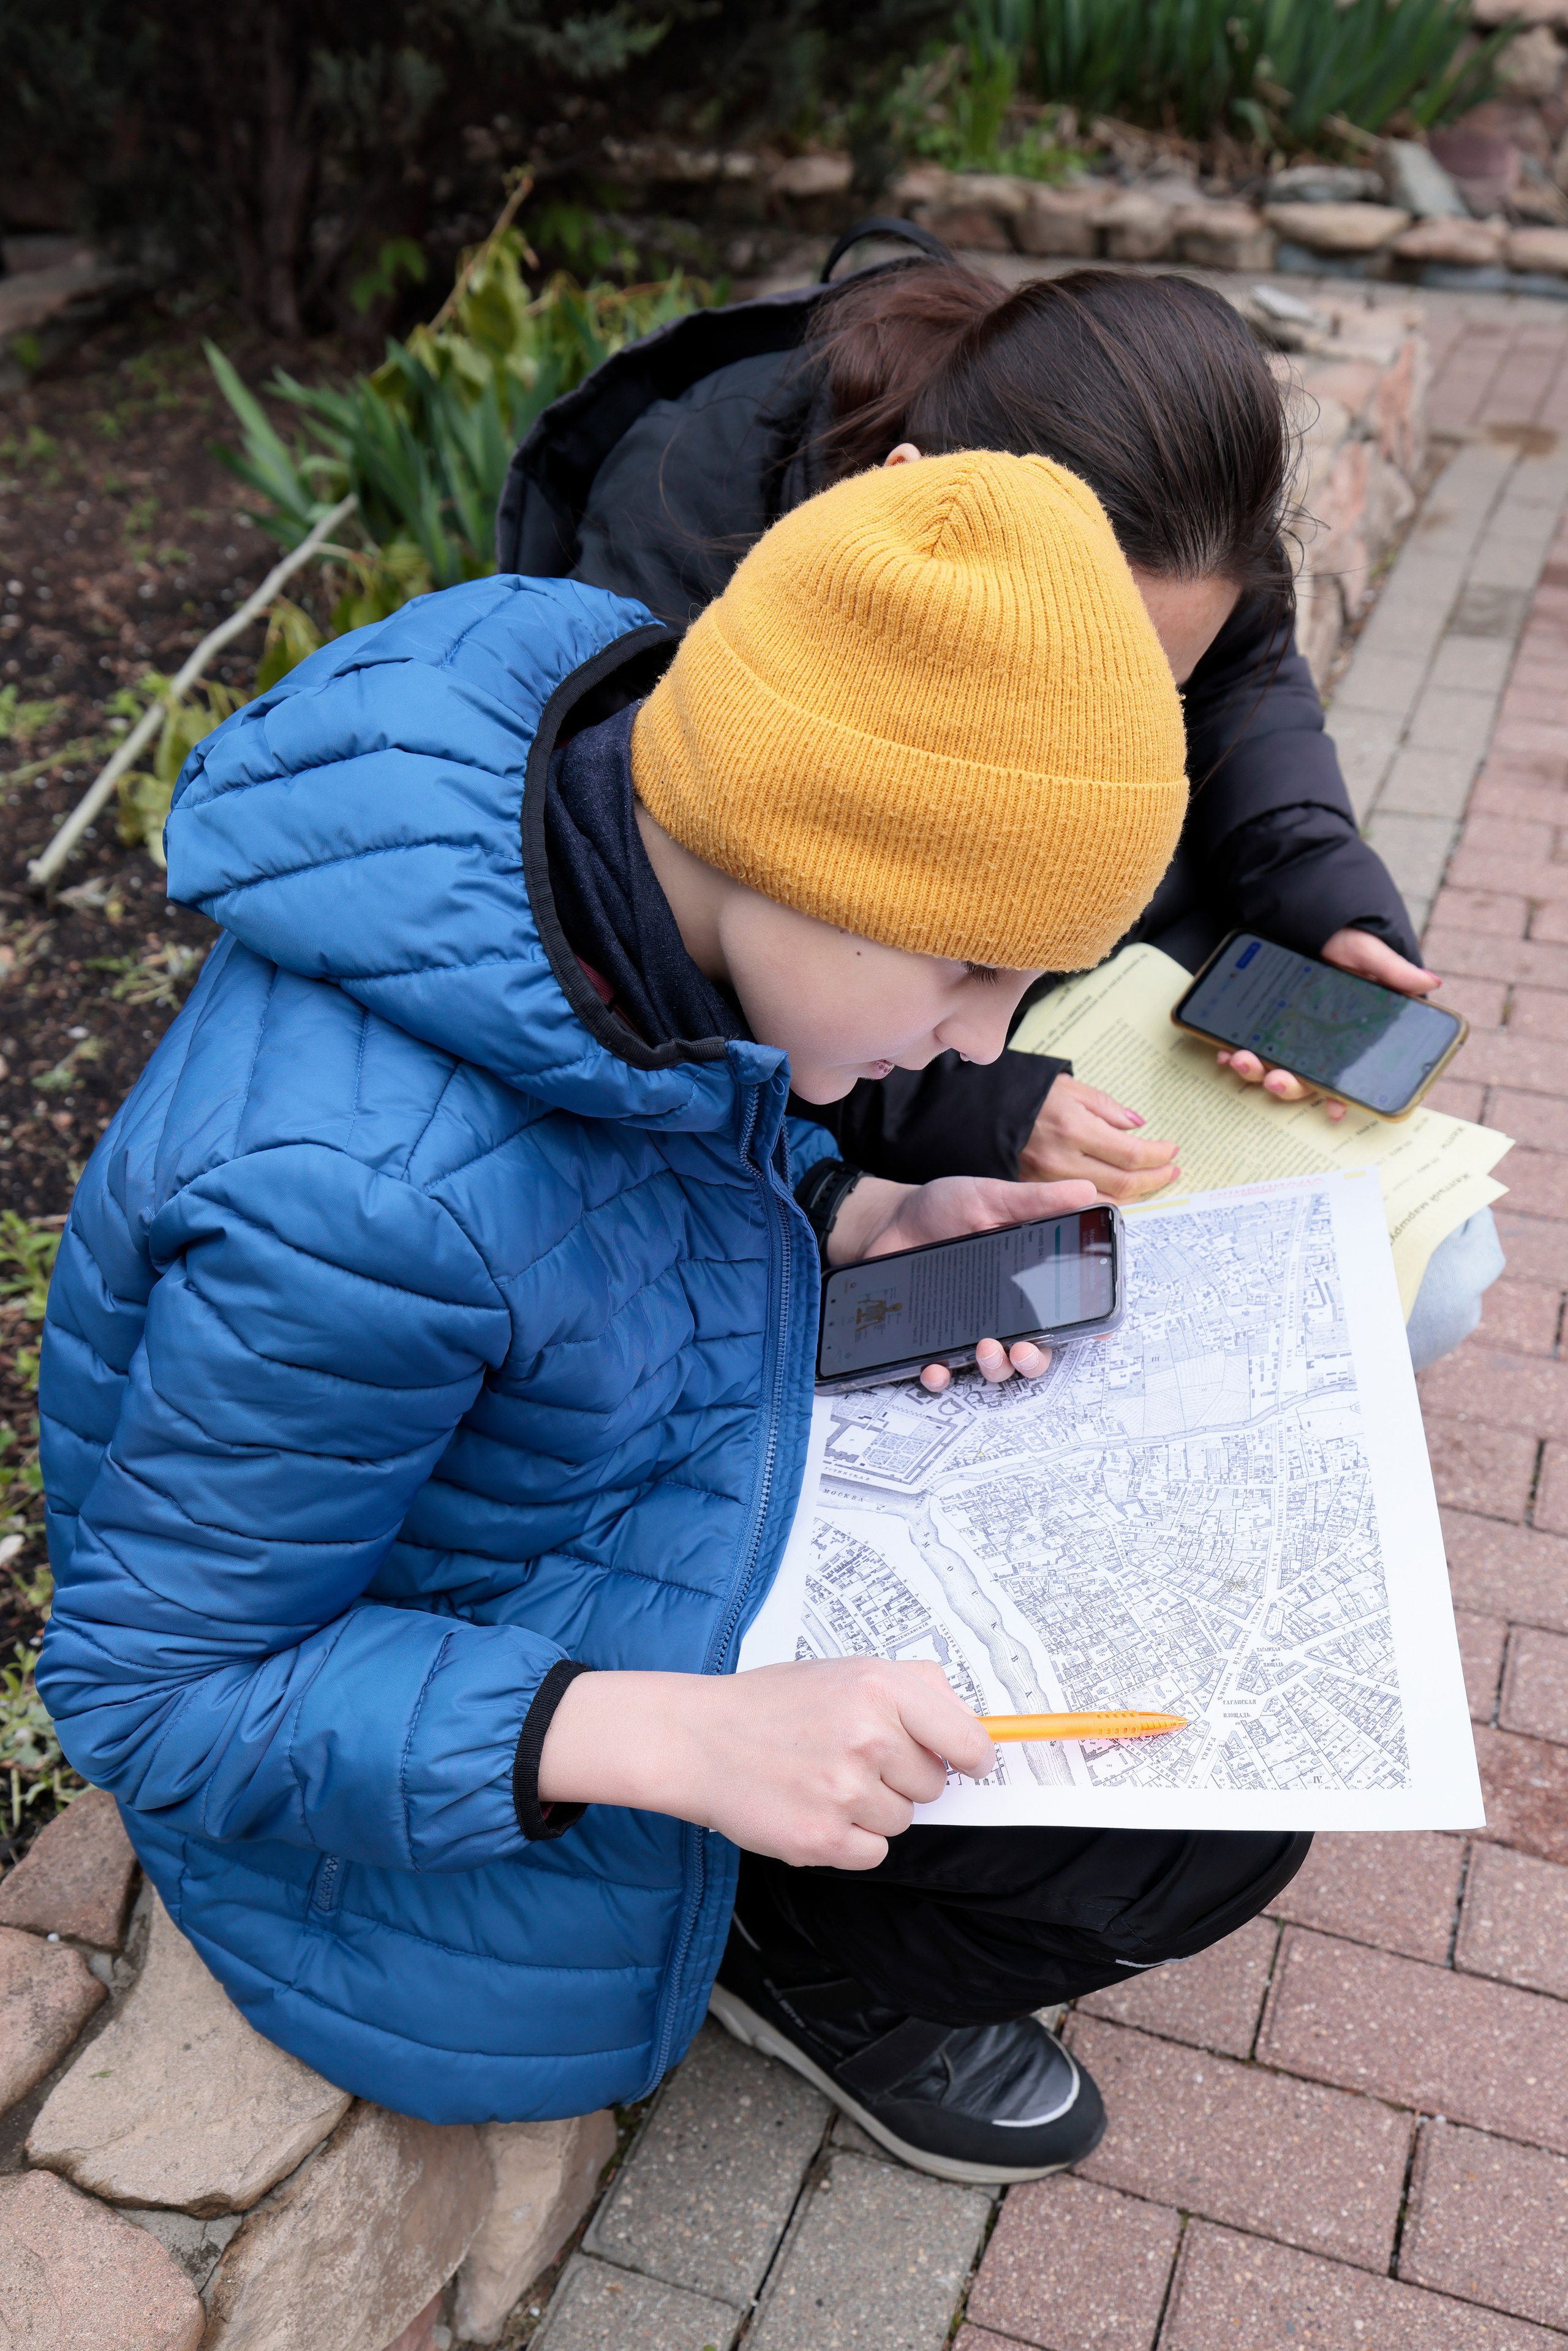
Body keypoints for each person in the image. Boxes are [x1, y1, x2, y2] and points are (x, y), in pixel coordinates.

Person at [39, 453, 1308, 2181]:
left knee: (1198, 1706)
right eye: (963, 966)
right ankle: (792, 1966)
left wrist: (864, 1209)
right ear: (790, 842)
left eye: (1026, 983)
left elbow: (674, 1125)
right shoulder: (350, 1199)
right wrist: (680, 1740)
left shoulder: (633, 830)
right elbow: (155, 1693)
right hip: (455, 1780)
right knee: (1165, 1846)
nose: (982, 1042)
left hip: (598, 1523)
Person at [500, 243, 1500, 1364]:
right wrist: (977, 1115)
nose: (1136, 717)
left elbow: (1253, 711)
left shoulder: (1174, 526)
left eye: (1159, 689)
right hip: (864, 1069)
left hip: (1091, 996)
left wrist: (1323, 902)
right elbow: (674, 956)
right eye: (1099, 683)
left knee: (1432, 1267)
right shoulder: (690, 545)